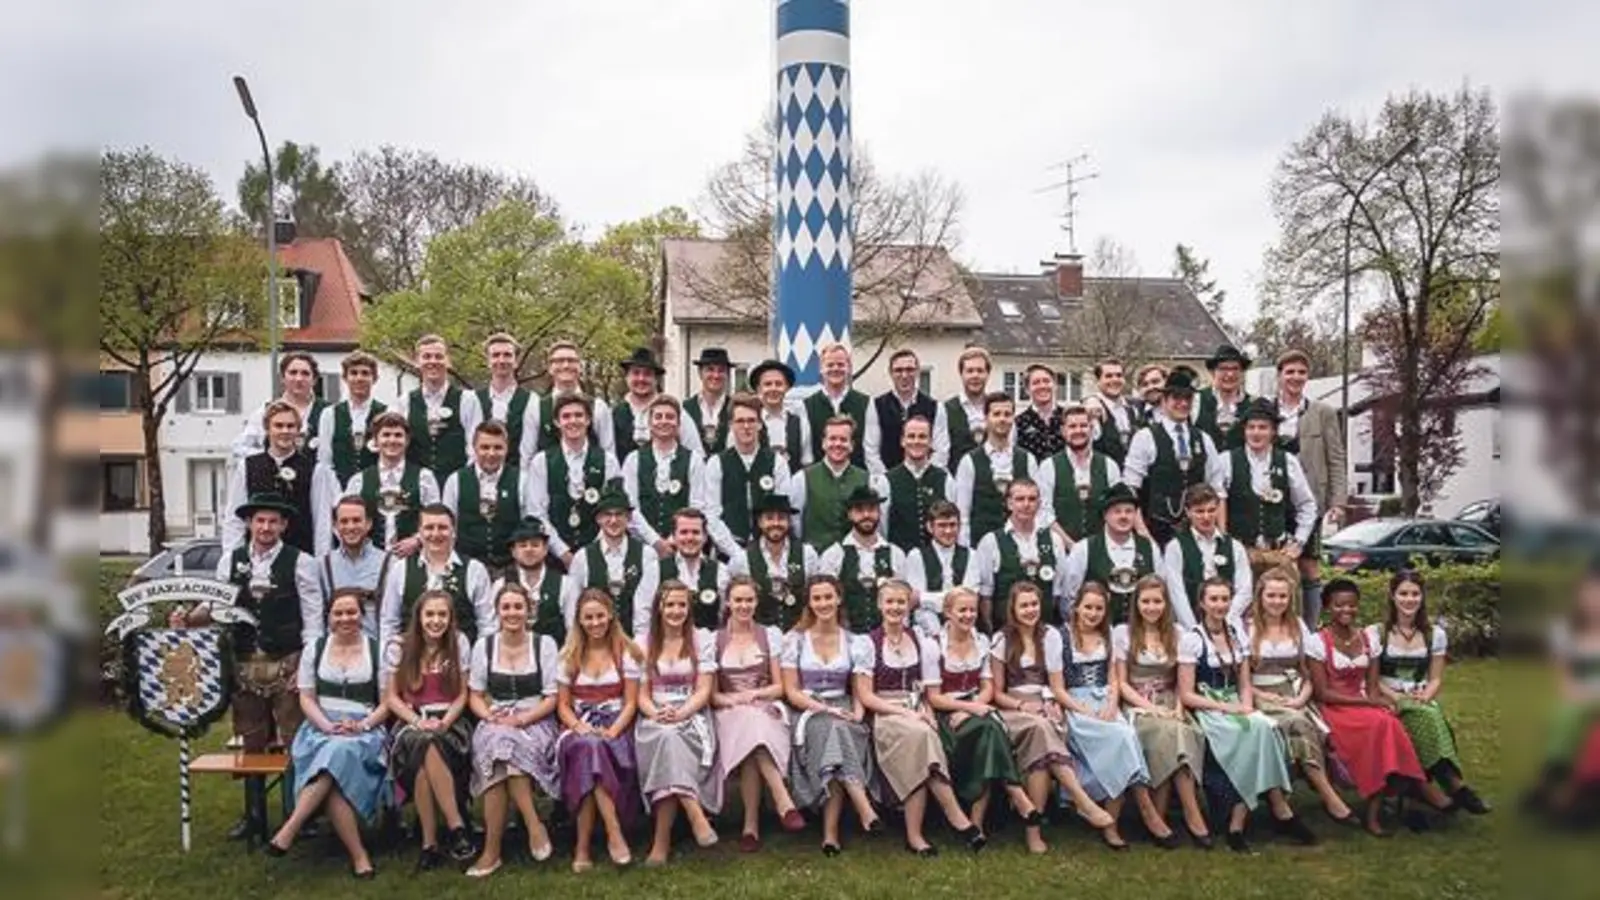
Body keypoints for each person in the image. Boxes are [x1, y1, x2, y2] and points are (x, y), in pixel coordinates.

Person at [180, 492, 323, 838]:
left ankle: (296, 814)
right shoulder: (231, 560)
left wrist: (305, 666)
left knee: (294, 738)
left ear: (284, 525)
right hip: (244, 661)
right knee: (251, 738)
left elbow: (314, 620)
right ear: (248, 523)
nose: (266, 527)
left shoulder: (301, 561)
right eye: (260, 520)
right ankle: (254, 814)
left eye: (273, 521)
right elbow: (215, 605)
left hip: (286, 659)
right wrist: (187, 619)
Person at [1308, 578, 1458, 835]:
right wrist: (1370, 702)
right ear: (1327, 607)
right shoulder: (1317, 641)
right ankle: (1414, 789)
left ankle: (1379, 807)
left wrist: (1381, 702)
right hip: (1335, 708)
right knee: (1379, 725)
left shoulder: (1368, 638)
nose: (1347, 610)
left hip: (1365, 702)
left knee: (1388, 722)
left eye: (1352, 605)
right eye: (1339, 605)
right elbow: (1323, 693)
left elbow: (1373, 685)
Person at [1178, 577, 1316, 853]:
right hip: (1209, 708)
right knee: (1249, 734)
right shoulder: (1193, 639)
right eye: (1213, 599)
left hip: (1236, 703)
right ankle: (1279, 809)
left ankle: (1239, 821)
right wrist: (1230, 709)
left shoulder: (1235, 634)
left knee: (1265, 728)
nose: (1219, 605)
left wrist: (1247, 706)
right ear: (1202, 603)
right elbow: (1187, 694)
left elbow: (1243, 682)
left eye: (1224, 599)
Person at [265, 588, 387, 878]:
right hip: (320, 728)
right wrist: (326, 725)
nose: (346, 618)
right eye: (339, 613)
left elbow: (387, 701)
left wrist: (362, 724)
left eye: (352, 612)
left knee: (337, 755)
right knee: (333, 764)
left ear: (361, 615)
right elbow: (306, 697)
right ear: (329, 617)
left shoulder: (377, 650)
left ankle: (291, 827)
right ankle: (360, 857)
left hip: (364, 731)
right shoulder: (316, 649)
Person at [855, 580, 982, 857]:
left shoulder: (920, 640)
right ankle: (955, 814)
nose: (895, 608)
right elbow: (866, 696)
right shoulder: (868, 643)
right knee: (921, 736)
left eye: (901, 602)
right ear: (879, 605)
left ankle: (915, 835)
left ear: (908, 606)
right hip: (885, 715)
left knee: (920, 744)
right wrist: (906, 712)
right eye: (889, 602)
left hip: (914, 711)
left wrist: (924, 709)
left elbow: (925, 688)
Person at [988, 583, 1116, 838]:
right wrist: (1023, 705)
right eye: (1023, 605)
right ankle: (1081, 799)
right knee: (1040, 728)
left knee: (1042, 746)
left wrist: (1050, 703)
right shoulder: (1002, 640)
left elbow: (1055, 685)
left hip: (1043, 707)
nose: (1030, 610)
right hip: (1012, 710)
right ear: (1013, 609)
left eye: (1034, 604)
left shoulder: (1050, 637)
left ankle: (1033, 830)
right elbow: (996, 693)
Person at [1051, 583, 1172, 850]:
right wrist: (1083, 709)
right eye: (1088, 607)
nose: (1093, 613)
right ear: (1076, 607)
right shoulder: (1059, 637)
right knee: (1122, 737)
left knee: (1123, 733)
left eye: (1099, 608)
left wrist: (1110, 704)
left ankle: (1112, 823)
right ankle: (1144, 807)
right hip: (1076, 706)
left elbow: (1114, 680)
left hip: (1105, 701)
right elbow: (1057, 688)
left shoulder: (1108, 635)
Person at [925, 587, 1047, 853]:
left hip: (974, 711)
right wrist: (966, 708)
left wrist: (973, 707)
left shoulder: (981, 641)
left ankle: (977, 823)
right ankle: (1016, 795)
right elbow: (933, 697)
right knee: (990, 730)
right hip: (946, 714)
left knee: (988, 732)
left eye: (972, 610)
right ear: (948, 613)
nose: (969, 615)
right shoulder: (933, 645)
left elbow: (988, 687)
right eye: (962, 610)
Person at [1369, 570, 1491, 814]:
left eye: (1415, 594)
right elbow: (1371, 680)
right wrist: (1398, 698)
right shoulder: (1377, 633)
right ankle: (1454, 785)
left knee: (1427, 714)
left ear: (1422, 597)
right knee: (1427, 717)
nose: (1409, 599)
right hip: (1385, 696)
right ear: (1392, 596)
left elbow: (1435, 678)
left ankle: (1419, 790)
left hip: (1419, 695)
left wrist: (1426, 695)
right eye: (1403, 593)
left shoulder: (1434, 634)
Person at [1243, 568, 1358, 826]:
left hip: (1294, 694)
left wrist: (1300, 699)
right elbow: (1242, 680)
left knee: (1300, 721)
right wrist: (1265, 696)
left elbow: (1308, 675)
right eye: (1271, 595)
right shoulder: (1247, 629)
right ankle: (1328, 798)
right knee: (1297, 724)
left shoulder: (1298, 626)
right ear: (1260, 596)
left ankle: (1289, 799)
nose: (1277, 601)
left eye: (1283, 596)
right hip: (1260, 694)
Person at [464, 583, 560, 877]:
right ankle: (534, 825)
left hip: (536, 720)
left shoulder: (544, 644)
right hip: (496, 718)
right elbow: (475, 696)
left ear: (529, 610)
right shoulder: (485, 646)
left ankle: (492, 852)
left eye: (518, 607)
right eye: (506, 607)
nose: (512, 613)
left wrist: (522, 719)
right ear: (497, 611)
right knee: (500, 748)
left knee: (504, 751)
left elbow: (552, 698)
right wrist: (491, 716)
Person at [781, 575, 879, 856]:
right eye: (817, 598)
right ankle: (863, 807)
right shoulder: (795, 640)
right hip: (807, 709)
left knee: (836, 735)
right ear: (810, 603)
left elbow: (861, 690)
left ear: (838, 598)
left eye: (828, 597)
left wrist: (858, 715)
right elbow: (792, 691)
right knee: (830, 728)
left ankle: (830, 833)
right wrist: (824, 708)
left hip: (844, 706)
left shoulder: (855, 641)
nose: (823, 603)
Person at [711, 576, 807, 851]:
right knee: (750, 727)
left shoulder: (769, 635)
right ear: (728, 602)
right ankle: (782, 800)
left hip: (764, 706)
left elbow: (779, 687)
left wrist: (756, 696)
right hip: (729, 711)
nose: (744, 605)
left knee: (755, 732)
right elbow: (714, 695)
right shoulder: (714, 640)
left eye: (749, 600)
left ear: (756, 602)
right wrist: (737, 699)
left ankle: (750, 826)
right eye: (738, 600)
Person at [384, 590, 475, 869]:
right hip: (412, 720)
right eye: (430, 614)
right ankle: (456, 827)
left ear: (450, 618)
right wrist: (416, 721)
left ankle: (429, 843)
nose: (436, 621)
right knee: (424, 741)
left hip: (451, 721)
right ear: (419, 617)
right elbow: (391, 697)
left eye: (442, 615)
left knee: (429, 747)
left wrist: (445, 721)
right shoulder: (399, 646)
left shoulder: (458, 643)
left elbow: (462, 695)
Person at [556, 589, 644, 872]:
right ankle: (613, 831)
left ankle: (582, 846)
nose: (595, 623)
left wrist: (613, 730)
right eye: (588, 618)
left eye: (599, 616)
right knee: (587, 747)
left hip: (616, 724)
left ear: (610, 616)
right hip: (579, 725)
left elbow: (630, 703)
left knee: (592, 750)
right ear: (579, 621)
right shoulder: (569, 655)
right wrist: (578, 726)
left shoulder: (625, 652)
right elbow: (563, 707)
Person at [634, 581, 722, 865]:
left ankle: (660, 843)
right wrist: (656, 713)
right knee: (666, 738)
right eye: (669, 604)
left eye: (681, 605)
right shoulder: (643, 643)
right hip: (654, 718)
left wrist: (682, 713)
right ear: (659, 608)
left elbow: (703, 691)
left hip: (692, 715)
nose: (676, 611)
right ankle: (695, 814)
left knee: (670, 741)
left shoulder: (701, 640)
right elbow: (642, 696)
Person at [1210, 398, 1318, 612]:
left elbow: (1307, 505)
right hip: (1242, 552)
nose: (1256, 433)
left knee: (1284, 613)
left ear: (1273, 431)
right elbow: (1214, 506)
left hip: (1277, 553)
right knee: (1240, 613)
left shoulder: (1287, 461)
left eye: (1263, 427)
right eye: (1251, 427)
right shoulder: (1226, 461)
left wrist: (1299, 542)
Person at [1272, 348, 1347, 629]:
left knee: (1308, 565)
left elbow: (1336, 457)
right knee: (1274, 565)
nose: (1295, 377)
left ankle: (1310, 628)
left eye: (1301, 372)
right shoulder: (1267, 409)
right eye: (1289, 372)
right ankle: (1276, 628)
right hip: (1274, 502)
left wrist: (1338, 500)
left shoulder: (1323, 412)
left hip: (1310, 501)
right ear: (1279, 376)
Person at [1525, 564, 1600, 822]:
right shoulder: (1566, 629)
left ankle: (1554, 784)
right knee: (1570, 712)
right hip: (1578, 692)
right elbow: (1563, 675)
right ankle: (1556, 773)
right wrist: (1575, 691)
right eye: (1590, 595)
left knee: (1583, 714)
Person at [1060, 484, 1184, 627]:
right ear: (1105, 515)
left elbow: (1162, 591)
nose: (1123, 516)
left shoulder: (1149, 547)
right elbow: (1069, 597)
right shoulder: (1083, 549)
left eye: (1129, 511)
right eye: (1117, 512)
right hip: (1099, 632)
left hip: (1141, 632)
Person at [378, 505, 495, 654]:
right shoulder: (400, 569)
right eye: (429, 528)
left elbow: (487, 625)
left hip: (460, 665)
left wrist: (479, 664)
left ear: (454, 531)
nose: (435, 533)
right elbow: (389, 622)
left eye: (442, 528)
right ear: (419, 532)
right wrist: (389, 665)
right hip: (412, 664)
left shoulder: (475, 570)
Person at [526, 393, 622, 568]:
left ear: (588, 420)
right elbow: (537, 513)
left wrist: (594, 548)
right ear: (557, 422)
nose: (573, 421)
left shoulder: (608, 460)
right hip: (555, 556)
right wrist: (563, 552)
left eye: (579, 415)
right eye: (566, 416)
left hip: (598, 553)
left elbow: (614, 508)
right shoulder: (541, 462)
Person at [224, 401, 333, 554]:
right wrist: (232, 556)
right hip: (256, 559)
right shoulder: (247, 466)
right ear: (267, 429)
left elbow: (321, 521)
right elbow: (234, 518)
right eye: (279, 425)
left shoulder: (315, 469)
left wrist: (321, 561)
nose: (285, 431)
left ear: (298, 430)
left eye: (290, 426)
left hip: (299, 557)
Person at [1123, 367, 1216, 546]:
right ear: (1164, 401)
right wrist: (1143, 534)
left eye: (1187, 398)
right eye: (1176, 398)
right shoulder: (1145, 437)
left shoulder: (1203, 439)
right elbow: (1130, 489)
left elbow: (1216, 489)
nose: (1182, 403)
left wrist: (1218, 534)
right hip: (1156, 531)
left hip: (1197, 532)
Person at [701, 392, 792, 558]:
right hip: (727, 552)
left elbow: (782, 510)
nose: (746, 426)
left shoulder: (777, 462)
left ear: (760, 424)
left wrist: (764, 548)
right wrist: (736, 553)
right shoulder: (716, 463)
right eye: (740, 421)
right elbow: (712, 515)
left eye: (751, 421)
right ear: (731, 425)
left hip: (769, 550)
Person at [565, 485, 659, 639]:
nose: (613, 520)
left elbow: (651, 604)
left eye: (619, 514)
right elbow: (572, 607)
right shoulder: (582, 557)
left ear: (628, 518)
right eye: (607, 515)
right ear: (598, 519)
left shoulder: (647, 555)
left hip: (635, 641)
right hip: (595, 643)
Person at [974, 480, 1067, 632]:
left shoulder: (1054, 539)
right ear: (1009, 503)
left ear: (1039, 504)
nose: (1026, 504)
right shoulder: (990, 542)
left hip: (1044, 632)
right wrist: (991, 631)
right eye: (1020, 499)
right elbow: (986, 596)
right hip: (1006, 633)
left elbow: (1057, 593)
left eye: (1032, 499)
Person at [344, 411, 440, 556]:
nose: (392, 440)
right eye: (386, 435)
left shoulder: (424, 477)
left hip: (413, 560)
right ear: (376, 440)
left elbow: (436, 518)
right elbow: (347, 520)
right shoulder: (358, 480)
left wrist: (417, 540)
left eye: (398, 435)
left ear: (407, 441)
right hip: (369, 561)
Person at [621, 395, 705, 557]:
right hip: (642, 547)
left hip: (682, 546)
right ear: (650, 423)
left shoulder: (693, 459)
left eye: (670, 417)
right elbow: (630, 508)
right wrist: (655, 542)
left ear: (679, 423)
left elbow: (696, 506)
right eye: (658, 417)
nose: (664, 421)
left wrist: (674, 539)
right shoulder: (633, 459)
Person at [442, 421, 531, 573]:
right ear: (474, 448)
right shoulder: (455, 480)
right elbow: (448, 528)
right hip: (467, 566)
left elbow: (528, 525)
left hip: (510, 567)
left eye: (498, 448)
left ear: (507, 448)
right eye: (485, 447)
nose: (491, 453)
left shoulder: (522, 480)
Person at [818, 485, 908, 633]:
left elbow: (903, 602)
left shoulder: (895, 553)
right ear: (850, 514)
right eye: (859, 510)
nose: (866, 515)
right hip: (846, 636)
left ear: (879, 513)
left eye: (872, 509)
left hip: (885, 637)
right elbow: (825, 602)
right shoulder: (833, 554)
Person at [955, 392, 1040, 547]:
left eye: (1007, 414)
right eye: (997, 414)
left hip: (1020, 545)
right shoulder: (969, 461)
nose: (1002, 419)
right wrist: (966, 550)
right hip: (980, 544)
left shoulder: (1028, 460)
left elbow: (1037, 509)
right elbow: (963, 514)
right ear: (986, 418)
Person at [1164, 485, 1253, 631]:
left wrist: (1224, 621)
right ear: (1188, 512)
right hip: (1189, 627)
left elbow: (1245, 589)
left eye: (1211, 510)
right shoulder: (1175, 547)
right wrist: (1195, 629)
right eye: (1199, 511)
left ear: (1218, 509)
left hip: (1229, 624)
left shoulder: (1235, 546)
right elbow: (1176, 593)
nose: (1206, 517)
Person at [729, 493, 819, 631]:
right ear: (760, 522)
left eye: (781, 518)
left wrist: (800, 629)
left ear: (789, 522)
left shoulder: (807, 554)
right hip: (758, 636)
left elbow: (815, 596)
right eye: (769, 518)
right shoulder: (741, 559)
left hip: (799, 634)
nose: (776, 523)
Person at [1038, 404, 1122, 548]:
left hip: (1101, 549)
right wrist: (1071, 546)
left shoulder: (1110, 466)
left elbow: (1116, 509)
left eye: (1083, 425)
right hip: (1060, 549)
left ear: (1092, 429)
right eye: (1072, 426)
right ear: (1063, 431)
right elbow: (1044, 513)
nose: (1078, 431)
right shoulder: (1048, 467)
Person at [788, 415, 874, 551]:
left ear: (852, 445)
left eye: (843, 440)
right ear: (823, 443)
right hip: (816, 560)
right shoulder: (801, 478)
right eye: (832, 439)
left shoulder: (867, 479)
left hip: (854, 557)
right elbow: (795, 522)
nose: (837, 444)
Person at [404, 334, 483, 482]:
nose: (433, 361)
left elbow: (475, 446)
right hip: (417, 484)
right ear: (417, 362)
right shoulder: (404, 402)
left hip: (456, 481)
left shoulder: (468, 400)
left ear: (448, 361)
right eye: (426, 356)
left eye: (438, 356)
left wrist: (463, 480)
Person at [231, 352, 328, 465]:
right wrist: (270, 459)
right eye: (293, 373)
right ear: (282, 378)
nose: (298, 378)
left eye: (305, 373)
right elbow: (239, 447)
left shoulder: (329, 412)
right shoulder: (266, 411)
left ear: (314, 379)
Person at [864, 348, 949, 477]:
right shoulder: (876, 406)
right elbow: (871, 451)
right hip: (887, 482)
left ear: (917, 372)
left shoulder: (936, 407)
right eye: (898, 370)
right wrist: (887, 480)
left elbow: (941, 450)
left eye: (909, 369)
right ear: (890, 373)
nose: (904, 375)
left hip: (926, 483)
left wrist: (925, 477)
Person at [317, 495, 391, 640]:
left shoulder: (389, 563)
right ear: (335, 526)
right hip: (335, 653)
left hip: (374, 652)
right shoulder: (322, 565)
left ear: (368, 524)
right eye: (344, 521)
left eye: (356, 520)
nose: (350, 527)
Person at [882, 416, 955, 553]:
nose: (916, 441)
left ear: (930, 442)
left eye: (922, 437)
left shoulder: (946, 480)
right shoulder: (886, 481)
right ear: (902, 441)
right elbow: (882, 528)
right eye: (911, 436)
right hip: (900, 560)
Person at [491, 517, 568, 647]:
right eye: (522, 545)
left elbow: (572, 629)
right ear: (513, 551)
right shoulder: (500, 585)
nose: (529, 549)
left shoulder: (565, 584)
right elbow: (493, 627)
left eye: (535, 544)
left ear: (545, 549)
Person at [316, 351, 387, 487]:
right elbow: (325, 460)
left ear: (375, 378)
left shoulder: (386, 412)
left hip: (375, 488)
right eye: (353, 373)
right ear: (345, 378)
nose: (359, 378)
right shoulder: (330, 414)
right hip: (339, 488)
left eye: (365, 373)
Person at [906, 502, 980, 630]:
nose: (948, 531)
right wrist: (954, 597)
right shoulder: (916, 556)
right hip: (926, 628)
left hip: (964, 625)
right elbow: (914, 602)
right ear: (930, 527)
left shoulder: (971, 555)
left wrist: (925, 598)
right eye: (942, 525)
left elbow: (969, 598)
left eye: (953, 525)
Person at [612, 347, 692, 463]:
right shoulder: (615, 413)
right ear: (627, 377)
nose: (641, 379)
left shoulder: (674, 411)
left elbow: (694, 450)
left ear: (656, 379)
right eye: (636, 373)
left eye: (647, 374)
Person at [535, 340, 614, 457]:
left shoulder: (598, 407)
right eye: (559, 361)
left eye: (571, 360)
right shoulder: (536, 407)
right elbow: (527, 456)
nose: (566, 365)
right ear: (550, 368)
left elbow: (608, 451)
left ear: (580, 366)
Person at [658, 508, 730, 632]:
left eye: (696, 532)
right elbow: (644, 616)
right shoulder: (656, 570)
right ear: (674, 536)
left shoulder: (722, 571)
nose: (690, 538)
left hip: (708, 647)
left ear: (705, 537)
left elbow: (726, 618)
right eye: (684, 532)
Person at [475, 333, 539, 470]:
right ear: (488, 361)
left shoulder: (531, 400)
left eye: (507, 355)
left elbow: (528, 449)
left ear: (516, 361)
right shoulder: (473, 398)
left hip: (516, 476)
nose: (501, 360)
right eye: (496, 355)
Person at [803, 342, 870, 469]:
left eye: (840, 364)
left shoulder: (866, 403)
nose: (835, 368)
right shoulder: (806, 405)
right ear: (821, 369)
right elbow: (806, 455)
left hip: (857, 480)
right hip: (820, 480)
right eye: (830, 365)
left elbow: (870, 451)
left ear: (849, 368)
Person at [749, 358, 811, 466]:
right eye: (768, 384)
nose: (773, 389)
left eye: (778, 384)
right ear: (759, 389)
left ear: (786, 387)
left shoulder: (801, 423)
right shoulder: (749, 422)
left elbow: (807, 462)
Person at [1194, 345, 1253, 451]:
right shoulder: (1196, 400)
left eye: (1235, 369)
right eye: (1223, 369)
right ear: (1212, 372)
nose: (1230, 374)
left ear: (1242, 373)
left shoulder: (1253, 404)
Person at [944, 346, 994, 467]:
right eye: (970, 371)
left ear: (987, 374)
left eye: (980, 370)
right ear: (961, 374)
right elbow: (941, 453)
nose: (975, 376)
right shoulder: (945, 410)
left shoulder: (996, 408)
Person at [683, 347, 734, 457]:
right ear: (700, 373)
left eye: (721, 370)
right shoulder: (685, 409)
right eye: (710, 369)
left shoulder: (736, 408)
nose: (716, 375)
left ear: (727, 375)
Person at [1085, 357, 1137, 466]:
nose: (1115, 380)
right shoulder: (1092, 409)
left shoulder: (1132, 408)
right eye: (1108, 376)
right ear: (1098, 381)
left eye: (1119, 375)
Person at [1014, 364, 1067, 462]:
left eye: (1046, 381)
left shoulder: (1068, 418)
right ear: (1027, 390)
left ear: (1055, 385)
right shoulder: (1018, 423)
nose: (1042, 386)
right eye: (1036, 382)